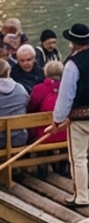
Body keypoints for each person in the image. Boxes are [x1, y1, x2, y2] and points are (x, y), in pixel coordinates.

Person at [51, 23, 89, 207]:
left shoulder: (72, 64)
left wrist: (57, 120)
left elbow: (66, 95)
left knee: (78, 158)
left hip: (80, 119)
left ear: (73, 42)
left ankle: (81, 196)